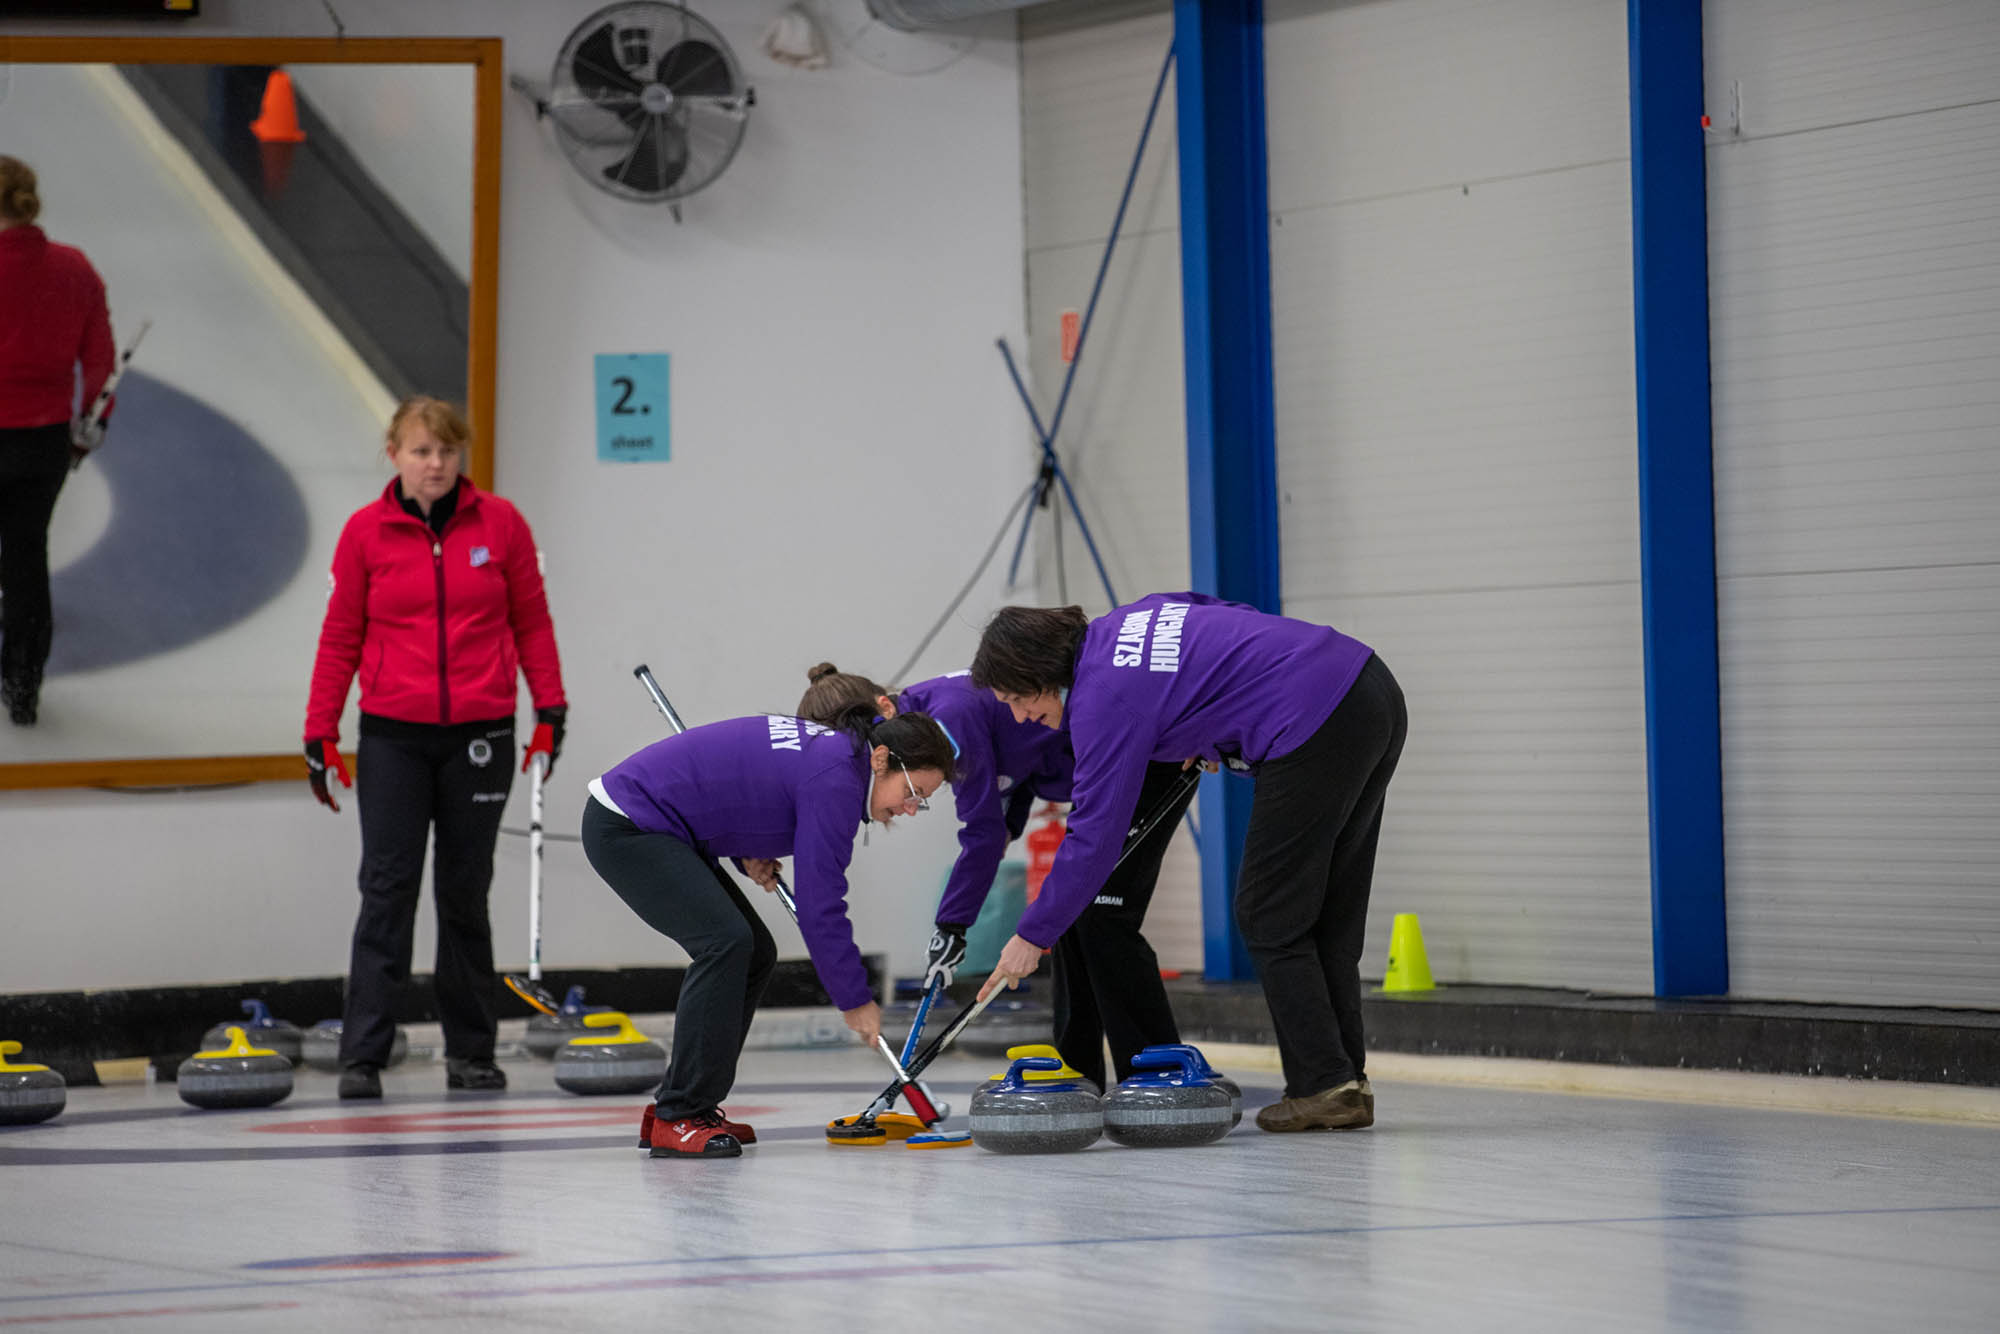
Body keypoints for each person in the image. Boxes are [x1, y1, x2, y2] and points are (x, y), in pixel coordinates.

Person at [969, 594, 1406, 1133]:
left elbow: (1095, 836)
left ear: (1041, 672)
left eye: (1017, 698)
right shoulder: (1130, 618)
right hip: (1368, 685)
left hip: (1311, 719)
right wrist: (1208, 730)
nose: (1020, 716)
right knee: (1327, 910)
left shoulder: (1102, 699)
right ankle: (1342, 1084)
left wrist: (1033, 935)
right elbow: (1225, 617)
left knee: (1269, 914)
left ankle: (1322, 1086)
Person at [303, 395, 568, 1101]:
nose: (436, 464)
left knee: (463, 892)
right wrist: (319, 730)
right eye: (421, 451)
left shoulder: (502, 524)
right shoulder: (365, 533)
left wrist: (551, 708)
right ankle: (364, 1057)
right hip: (393, 735)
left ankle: (471, 1054)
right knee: (387, 890)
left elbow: (532, 620)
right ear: (394, 455)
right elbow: (340, 637)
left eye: (447, 451)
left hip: (480, 735)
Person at [797, 663, 1198, 1089]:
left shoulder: (947, 721)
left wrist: (952, 925)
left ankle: (1159, 1073)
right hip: (1105, 780)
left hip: (1143, 764)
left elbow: (982, 831)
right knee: (1071, 916)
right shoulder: (934, 718)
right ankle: (1080, 1072)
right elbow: (1022, 763)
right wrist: (1008, 824)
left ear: (884, 708)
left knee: (1102, 915)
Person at [582, 703, 956, 1158]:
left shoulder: (839, 758)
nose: (912, 809)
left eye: (924, 800)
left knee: (756, 950)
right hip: (629, 824)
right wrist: (855, 999)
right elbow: (821, 906)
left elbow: (740, 787)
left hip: (666, 825)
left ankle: (686, 1105)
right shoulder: (838, 780)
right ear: (882, 759)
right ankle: (677, 1116)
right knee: (724, 943)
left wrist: (746, 848)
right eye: (913, 790)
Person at [0, 156, 115, 726]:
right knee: (25, 557)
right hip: (41, 442)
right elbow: (98, 364)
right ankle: (23, 683)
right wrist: (93, 423)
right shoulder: (75, 271)